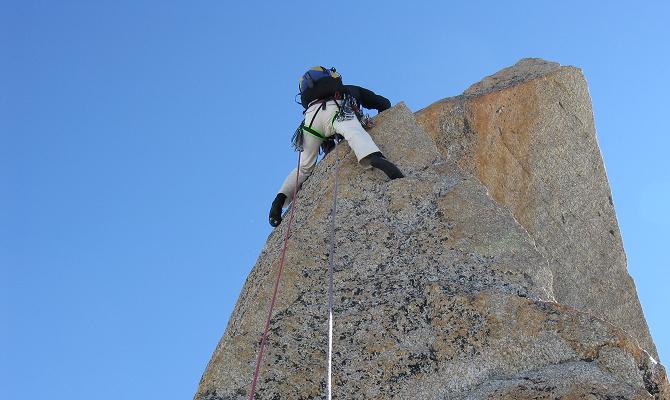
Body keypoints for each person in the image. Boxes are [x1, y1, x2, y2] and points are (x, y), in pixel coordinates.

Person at [268, 66, 404, 227]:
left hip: (310, 120)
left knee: (304, 167)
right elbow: (382, 103)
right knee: (354, 132)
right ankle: (373, 157)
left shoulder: (310, 103)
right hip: (336, 109)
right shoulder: (349, 90)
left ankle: (279, 201)